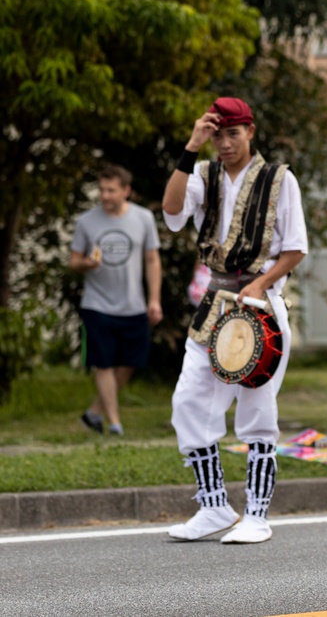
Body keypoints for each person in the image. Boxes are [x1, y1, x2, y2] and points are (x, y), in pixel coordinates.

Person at [161, 97, 308, 544]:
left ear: (251, 132)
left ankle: (257, 515)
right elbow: (170, 215)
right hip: (214, 305)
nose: (224, 143)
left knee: (256, 409)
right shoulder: (202, 174)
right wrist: (191, 146)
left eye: (233, 133)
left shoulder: (279, 179)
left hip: (259, 305)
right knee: (189, 402)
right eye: (218, 134)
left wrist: (263, 284)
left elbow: (295, 248)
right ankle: (213, 506)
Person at [70, 165, 163, 437]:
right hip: (96, 304)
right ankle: (114, 424)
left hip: (133, 304)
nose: (105, 195)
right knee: (103, 363)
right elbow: (73, 261)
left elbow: (151, 259)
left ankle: (94, 413)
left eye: (111, 190)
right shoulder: (86, 222)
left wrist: (154, 299)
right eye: (102, 189)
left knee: (131, 362)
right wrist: (85, 263)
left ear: (126, 191)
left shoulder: (144, 218)